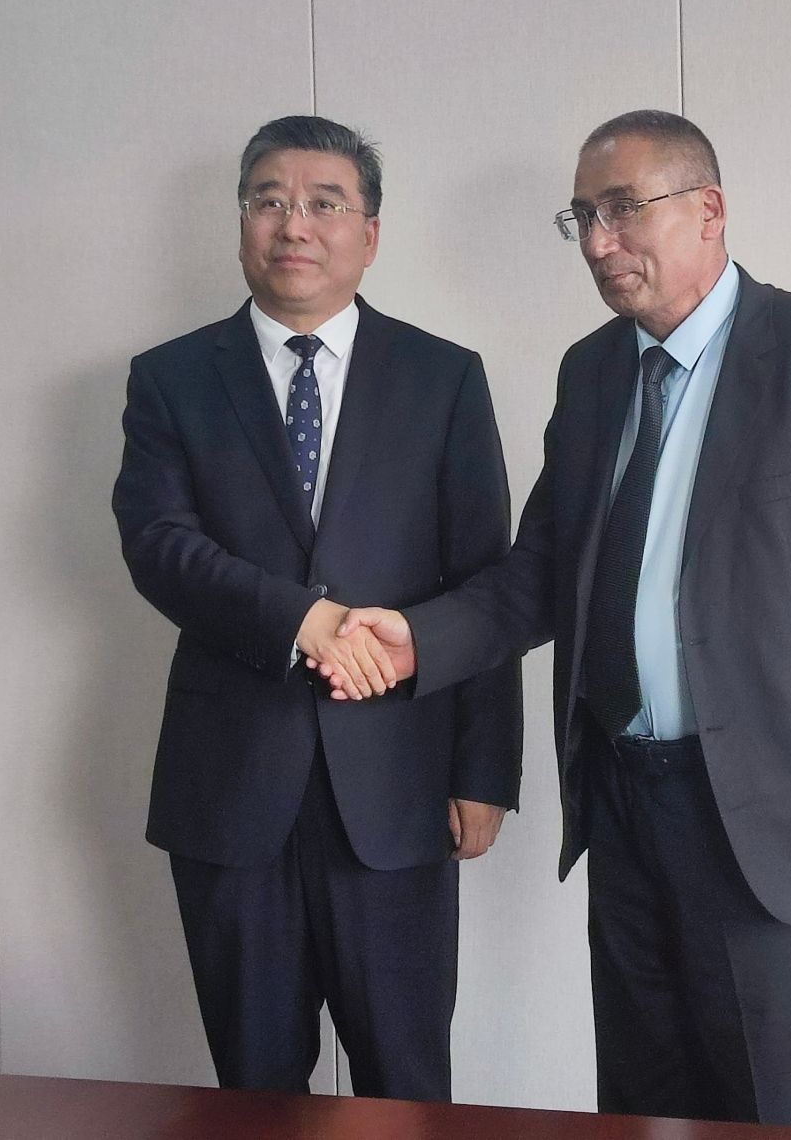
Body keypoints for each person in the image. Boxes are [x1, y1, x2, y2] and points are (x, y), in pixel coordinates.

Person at [314, 109, 791, 1128]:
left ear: (708, 209)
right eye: (581, 216)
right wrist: (419, 638)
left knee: (785, 1112)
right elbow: (540, 573)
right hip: (625, 807)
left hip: (780, 814)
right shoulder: (592, 374)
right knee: (642, 1112)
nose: (597, 242)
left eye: (623, 209)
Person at [112, 115, 522, 1100]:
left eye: (324, 203)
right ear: (241, 224)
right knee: (254, 1090)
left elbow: (487, 586)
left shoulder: (442, 378)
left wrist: (483, 770)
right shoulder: (171, 378)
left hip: (398, 787)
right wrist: (306, 620)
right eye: (269, 200)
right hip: (229, 788)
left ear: (368, 234)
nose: (293, 222)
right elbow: (158, 545)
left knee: (406, 1085)